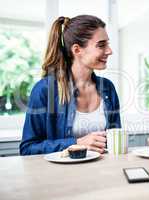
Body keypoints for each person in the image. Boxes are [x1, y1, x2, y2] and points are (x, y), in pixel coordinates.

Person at [20, 15, 121, 155]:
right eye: (101, 45)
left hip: (102, 173)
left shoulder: (108, 88)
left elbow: (114, 142)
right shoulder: (45, 90)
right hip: (61, 176)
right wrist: (76, 143)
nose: (109, 51)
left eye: (108, 44)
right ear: (77, 50)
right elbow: (28, 149)